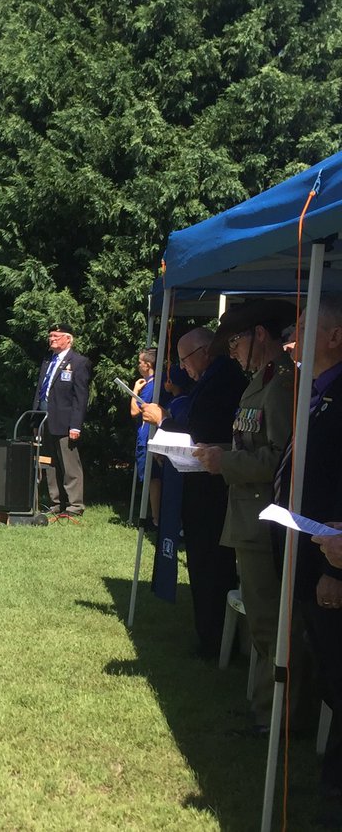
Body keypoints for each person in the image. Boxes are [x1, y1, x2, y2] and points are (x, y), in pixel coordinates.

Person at [194, 299, 297, 732]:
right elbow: (252, 445)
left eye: (235, 341)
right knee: (259, 619)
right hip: (248, 514)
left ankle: (278, 719)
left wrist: (226, 462)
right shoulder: (262, 381)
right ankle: (262, 706)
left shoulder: (281, 384)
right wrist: (221, 453)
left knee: (270, 622)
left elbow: (282, 459)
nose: (232, 352)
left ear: (259, 335)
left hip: (265, 518)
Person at [142, 328, 247, 659]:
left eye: (184, 360)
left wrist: (163, 420)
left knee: (211, 564)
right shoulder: (212, 378)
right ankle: (210, 634)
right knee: (203, 563)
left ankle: (214, 640)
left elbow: (202, 430)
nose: (183, 368)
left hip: (212, 489)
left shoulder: (222, 379)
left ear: (203, 352)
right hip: (203, 485)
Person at [277, 293, 342, 800]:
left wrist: (335, 572)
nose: (292, 337)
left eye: (304, 327)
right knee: (323, 665)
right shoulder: (316, 391)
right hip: (306, 551)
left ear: (335, 336)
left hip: (330, 562)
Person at [32, 323, 91, 517]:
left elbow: (80, 398)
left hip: (65, 422)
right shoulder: (48, 360)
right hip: (44, 419)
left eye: (56, 336)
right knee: (49, 463)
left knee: (70, 465)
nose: (52, 339)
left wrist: (76, 426)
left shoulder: (79, 362)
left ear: (68, 339)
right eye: (50, 336)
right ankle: (56, 502)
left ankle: (75, 505)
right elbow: (40, 390)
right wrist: (35, 418)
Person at [130, 348, 159, 523]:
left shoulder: (150, 387)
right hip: (147, 435)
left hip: (147, 435)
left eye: (140, 362)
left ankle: (155, 518)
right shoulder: (153, 384)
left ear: (147, 365)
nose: (138, 365)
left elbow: (135, 411)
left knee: (152, 479)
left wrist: (134, 391)